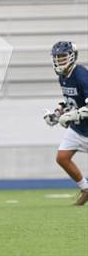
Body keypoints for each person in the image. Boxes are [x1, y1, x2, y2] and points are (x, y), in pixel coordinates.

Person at [43, 41, 88, 205]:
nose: (59, 60)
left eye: (62, 56)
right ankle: (85, 189)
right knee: (62, 157)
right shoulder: (62, 76)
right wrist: (57, 114)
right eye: (56, 57)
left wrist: (72, 116)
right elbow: (69, 100)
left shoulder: (81, 74)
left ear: (72, 56)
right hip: (78, 129)